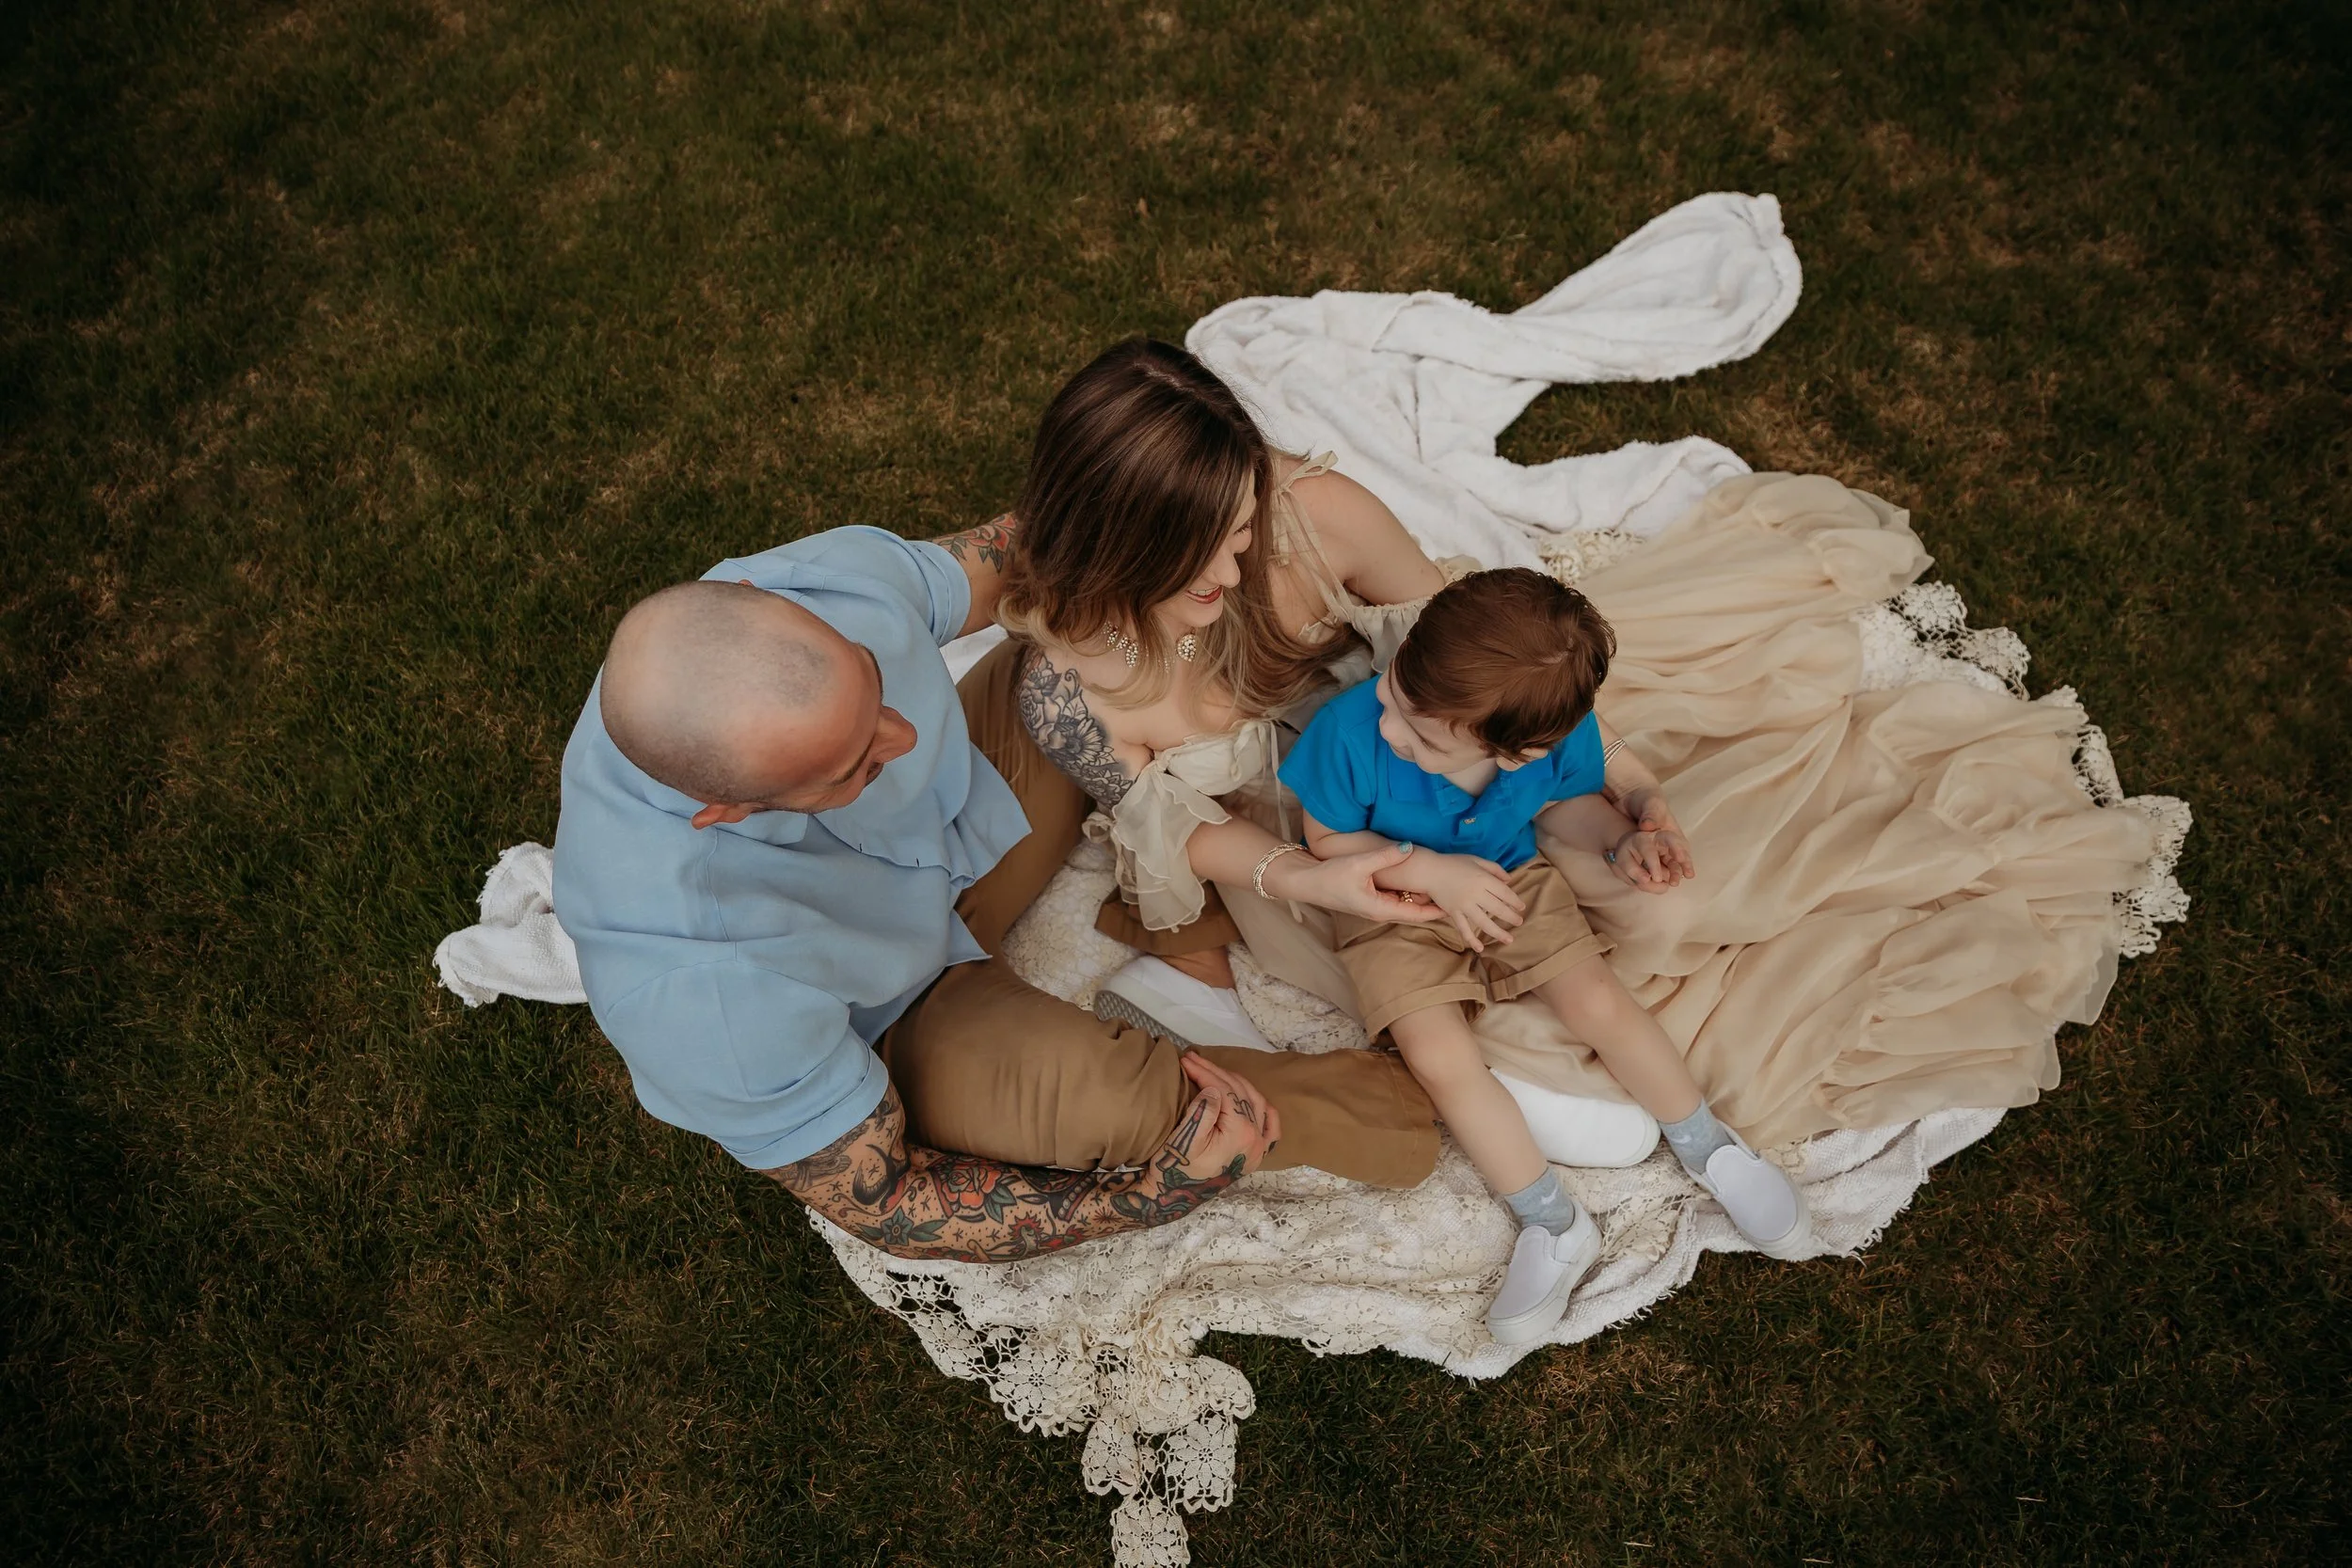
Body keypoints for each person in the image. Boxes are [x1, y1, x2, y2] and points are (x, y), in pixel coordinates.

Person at [1001, 336, 2161, 1175]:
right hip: (1306, 850)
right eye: (1206, 550)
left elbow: (1458, 649)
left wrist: (1582, 785)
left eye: (1245, 526)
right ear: (1120, 543)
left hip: (1432, 729)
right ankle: (1553, 1097)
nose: (1240, 559)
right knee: (1479, 1026)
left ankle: (1619, 982)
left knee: (1660, 885)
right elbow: (1194, 836)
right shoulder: (1069, 689)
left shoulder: (1313, 517)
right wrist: (1324, 877)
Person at [550, 518, 1444, 1265]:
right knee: (1143, 1110)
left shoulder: (819, 584)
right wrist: (1146, 1198)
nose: (901, 737)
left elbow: (1036, 547)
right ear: (726, 812)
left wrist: (1190, 529)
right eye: (853, 764)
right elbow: (888, 1195)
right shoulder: (697, 996)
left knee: (1073, 663)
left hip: (957, 838)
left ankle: (1187, 907)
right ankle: (1436, 1095)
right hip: (902, 1012)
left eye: (875, 687)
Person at [1279, 568, 1809, 1343]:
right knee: (1435, 1050)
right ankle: (1550, 1219)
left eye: (1423, 734)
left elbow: (1570, 806)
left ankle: (1708, 1145)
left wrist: (1623, 839)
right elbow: (1330, 845)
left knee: (1595, 998)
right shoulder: (1350, 730)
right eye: (1395, 689)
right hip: (1389, 900)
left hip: (1509, 877)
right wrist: (1426, 869)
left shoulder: (1551, 751)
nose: (1392, 725)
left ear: (1524, 752)